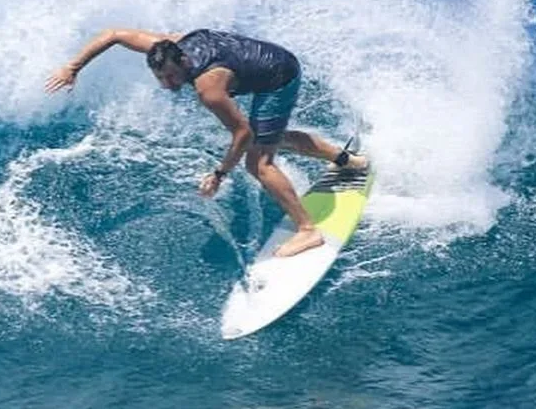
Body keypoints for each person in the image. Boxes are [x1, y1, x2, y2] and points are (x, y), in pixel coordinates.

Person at [45, 28, 368, 257]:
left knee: (257, 161)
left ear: (184, 63)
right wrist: (73, 67)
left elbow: (242, 135)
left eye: (171, 77)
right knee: (273, 137)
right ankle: (347, 161)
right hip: (272, 59)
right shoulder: (170, 45)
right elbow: (113, 34)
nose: (168, 84)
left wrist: (219, 174)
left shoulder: (208, 88)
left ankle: (308, 232)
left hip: (277, 76)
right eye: (161, 78)